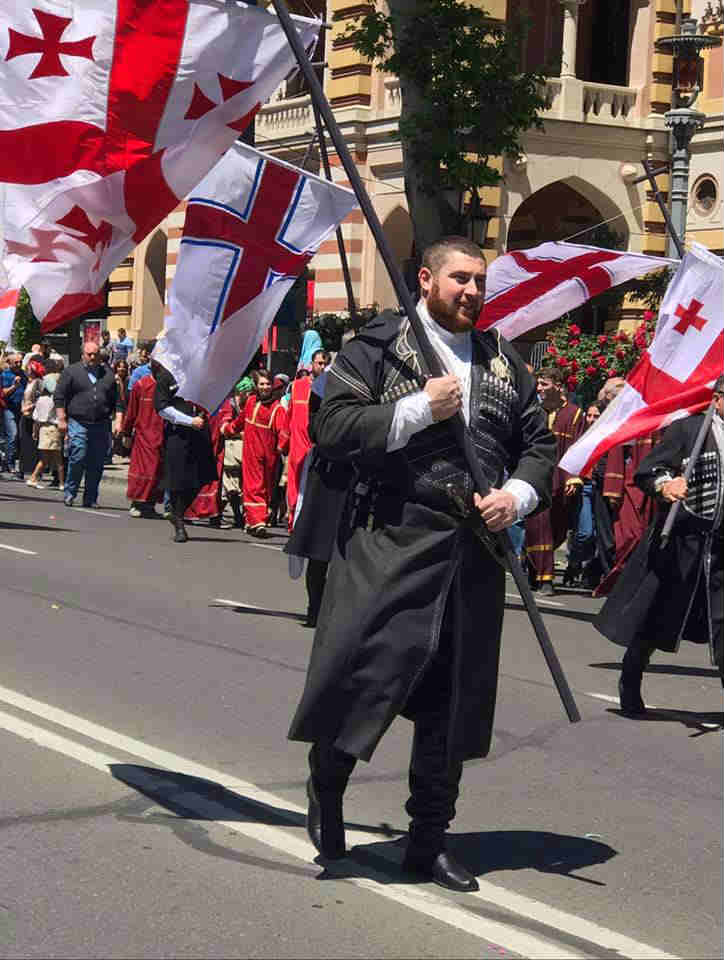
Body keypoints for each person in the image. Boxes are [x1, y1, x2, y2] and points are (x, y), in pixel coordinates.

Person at [288, 236, 555, 891]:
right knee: (366, 682)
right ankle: (328, 786)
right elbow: (333, 426)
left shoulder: (502, 360)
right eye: (459, 278)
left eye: (479, 281)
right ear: (426, 279)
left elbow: (539, 444)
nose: (471, 291)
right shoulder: (378, 347)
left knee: (450, 707)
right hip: (390, 542)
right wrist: (417, 409)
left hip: (473, 555)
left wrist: (515, 495)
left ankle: (429, 841)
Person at [596, 374, 724, 716]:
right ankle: (631, 676)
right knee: (654, 619)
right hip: (681, 542)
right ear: (718, 398)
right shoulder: (688, 430)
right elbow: (649, 471)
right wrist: (666, 485)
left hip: (720, 548)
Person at [524, 367, 584, 595]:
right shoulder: (533, 411)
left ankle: (531, 563)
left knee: (558, 528)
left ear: (558, 386)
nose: (538, 388)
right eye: (538, 384)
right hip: (535, 479)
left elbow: (576, 447)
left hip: (561, 480)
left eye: (544, 384)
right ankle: (545, 579)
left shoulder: (574, 414)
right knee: (537, 525)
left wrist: (573, 477)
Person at [153, 364, 217, 543]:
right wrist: (189, 421)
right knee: (177, 481)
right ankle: (179, 525)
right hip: (178, 434)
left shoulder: (201, 372)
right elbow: (162, 408)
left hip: (200, 431)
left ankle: (177, 513)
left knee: (202, 477)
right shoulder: (166, 376)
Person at [54, 342, 117, 508]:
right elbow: (59, 396)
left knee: (96, 462)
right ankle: (70, 492)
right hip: (78, 422)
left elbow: (117, 401)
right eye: (89, 354)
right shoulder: (71, 372)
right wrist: (61, 419)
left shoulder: (108, 374)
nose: (92, 357)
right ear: (83, 354)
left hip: (101, 424)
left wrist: (119, 422)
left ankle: (90, 498)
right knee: (78, 456)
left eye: (95, 354)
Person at [231, 370, 288, 538]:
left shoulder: (277, 409)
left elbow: (284, 431)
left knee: (264, 488)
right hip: (250, 453)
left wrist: (281, 448)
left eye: (268, 384)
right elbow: (240, 421)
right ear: (256, 386)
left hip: (268, 456)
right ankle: (256, 522)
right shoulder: (250, 402)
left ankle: (256, 521)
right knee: (252, 487)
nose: (265, 387)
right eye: (262, 384)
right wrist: (228, 428)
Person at [286, 350, 330, 531]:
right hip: (297, 443)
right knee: (294, 482)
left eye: (324, 364)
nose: (321, 366)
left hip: (316, 443)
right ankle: (293, 523)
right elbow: (289, 414)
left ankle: (307, 525)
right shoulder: (296, 386)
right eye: (318, 363)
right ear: (311, 364)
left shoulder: (330, 388)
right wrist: (284, 440)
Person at [563, 403, 600, 586]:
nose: (592, 420)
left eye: (596, 416)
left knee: (596, 533)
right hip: (584, 487)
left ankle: (589, 570)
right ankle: (574, 561)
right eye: (590, 415)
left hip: (600, 488)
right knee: (584, 531)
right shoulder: (581, 436)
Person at [121, 361, 164, 518]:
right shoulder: (141, 385)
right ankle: (137, 502)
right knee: (143, 470)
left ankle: (150, 505)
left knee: (157, 471)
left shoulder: (170, 386)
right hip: (143, 437)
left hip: (161, 437)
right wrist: (126, 433)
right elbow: (131, 412)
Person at [219, 378, 252, 529]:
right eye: (248, 391)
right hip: (232, 448)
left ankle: (236, 514)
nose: (250, 394)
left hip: (246, 450)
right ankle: (233, 515)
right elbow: (224, 426)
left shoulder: (249, 404)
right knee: (231, 484)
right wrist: (239, 433)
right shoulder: (230, 404)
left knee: (242, 485)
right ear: (241, 392)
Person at [28, 373, 64, 491]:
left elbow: (36, 418)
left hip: (43, 429)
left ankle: (34, 478)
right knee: (58, 460)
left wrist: (35, 431)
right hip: (53, 429)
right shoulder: (55, 400)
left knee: (44, 459)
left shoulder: (40, 400)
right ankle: (62, 483)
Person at [1, 352, 27, 476]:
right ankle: (10, 463)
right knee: (13, 434)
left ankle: (15, 462)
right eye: (16, 362)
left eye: (20, 362)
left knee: (20, 437)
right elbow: (3, 393)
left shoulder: (23, 374)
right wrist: (14, 386)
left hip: (22, 410)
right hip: (9, 409)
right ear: (9, 363)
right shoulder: (5, 375)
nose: (19, 364)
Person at [19, 358, 45, 479]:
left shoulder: (38, 382)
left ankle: (35, 470)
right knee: (23, 440)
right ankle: (24, 469)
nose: (26, 370)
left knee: (33, 441)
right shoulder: (29, 382)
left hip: (33, 415)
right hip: (25, 414)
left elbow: (40, 399)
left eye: (29, 368)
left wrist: (30, 407)